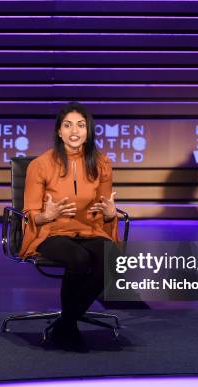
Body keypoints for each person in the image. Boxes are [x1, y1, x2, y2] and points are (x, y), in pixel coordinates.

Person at [19, 102, 119, 351]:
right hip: (51, 232)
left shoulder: (102, 163)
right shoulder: (40, 165)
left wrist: (110, 214)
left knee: (113, 257)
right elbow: (30, 213)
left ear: (89, 131)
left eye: (81, 125)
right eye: (68, 125)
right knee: (79, 258)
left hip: (89, 229)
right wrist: (46, 214)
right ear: (58, 132)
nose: (75, 131)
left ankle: (65, 323)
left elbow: (106, 207)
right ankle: (70, 327)